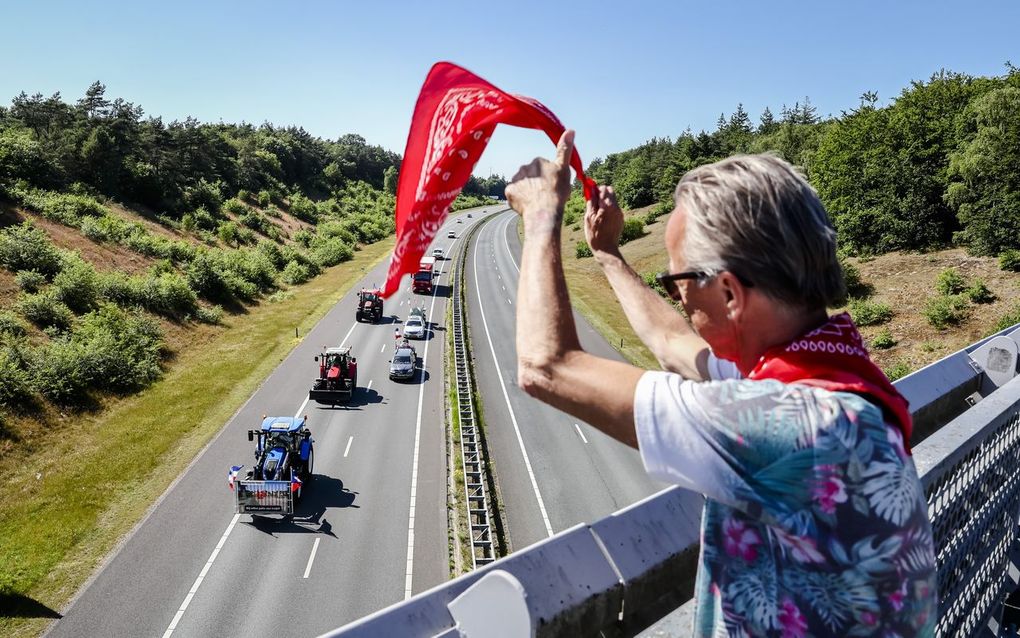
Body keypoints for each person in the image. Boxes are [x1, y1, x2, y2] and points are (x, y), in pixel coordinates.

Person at [505, 131, 937, 637]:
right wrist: (608, 255)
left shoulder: (791, 428)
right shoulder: (826, 381)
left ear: (729, 292)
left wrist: (540, 219)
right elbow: (674, 345)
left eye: (677, 283)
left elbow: (546, 365)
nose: (679, 300)